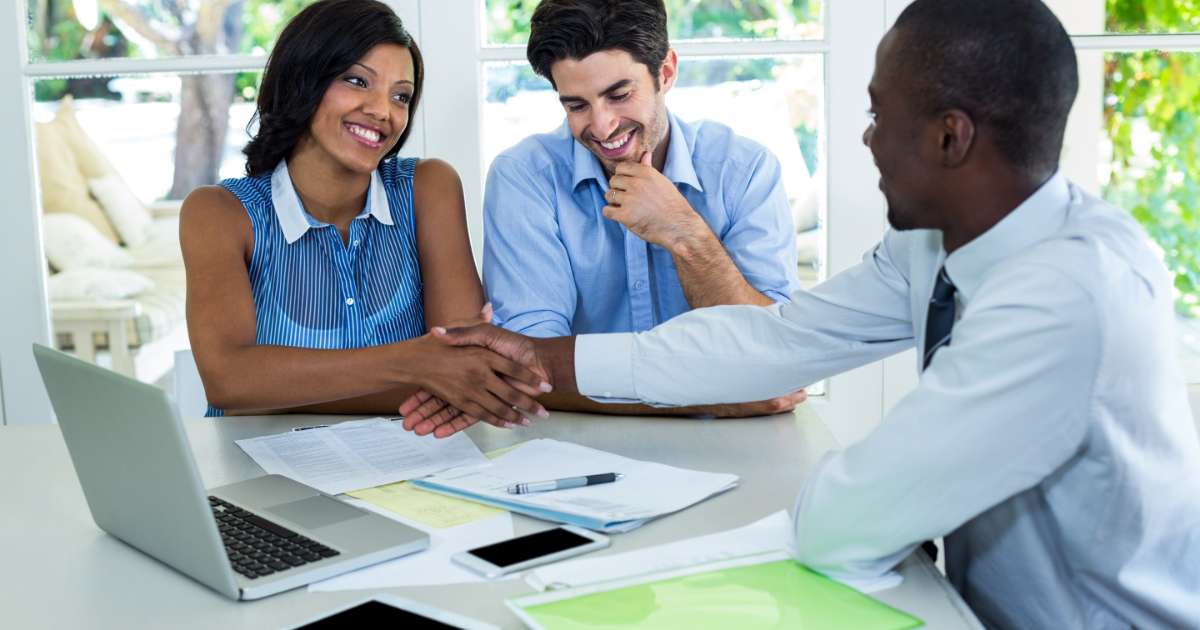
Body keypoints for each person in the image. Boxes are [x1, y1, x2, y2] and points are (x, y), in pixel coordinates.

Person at [401, 0, 1200, 626]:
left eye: (881, 116)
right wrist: (541, 357)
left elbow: (840, 519)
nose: (864, 139)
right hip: (972, 605)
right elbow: (779, 340)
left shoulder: (1063, 295)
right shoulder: (935, 248)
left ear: (952, 138)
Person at [179, 0, 548, 426]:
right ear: (303, 80)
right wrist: (416, 362)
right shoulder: (220, 213)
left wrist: (280, 386)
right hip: (258, 473)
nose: (383, 111)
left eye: (401, 96)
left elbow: (465, 373)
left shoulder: (429, 188)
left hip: (413, 464)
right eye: (357, 81)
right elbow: (230, 382)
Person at [479, 0, 806, 417]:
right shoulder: (523, 177)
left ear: (665, 72)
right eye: (576, 105)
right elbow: (529, 368)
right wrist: (699, 399)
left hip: (738, 437)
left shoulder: (744, 171)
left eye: (619, 95)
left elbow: (776, 354)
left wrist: (684, 233)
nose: (601, 126)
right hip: (577, 438)